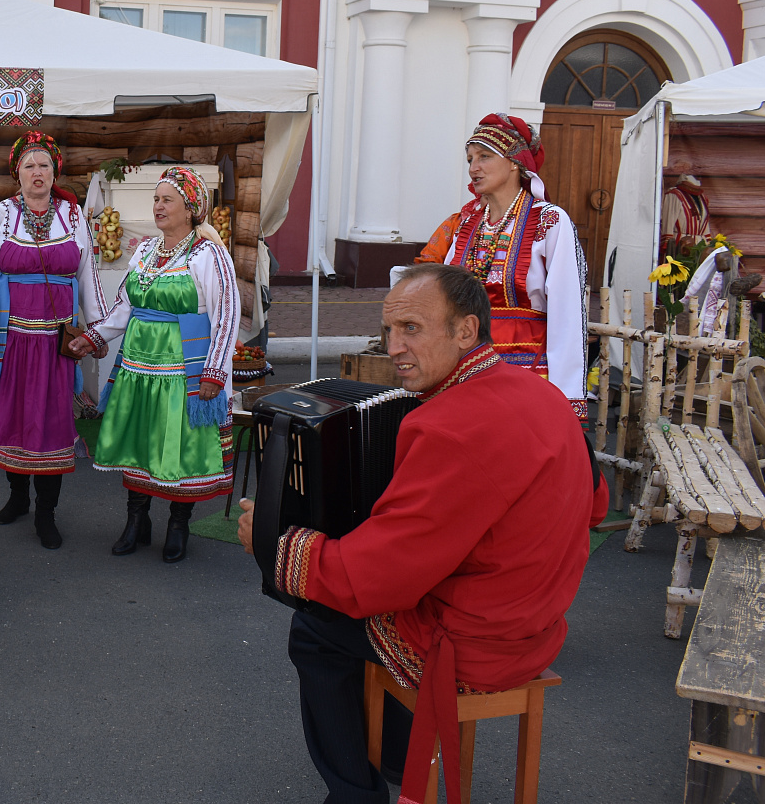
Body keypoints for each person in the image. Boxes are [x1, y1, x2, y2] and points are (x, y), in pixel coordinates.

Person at [237, 263, 608, 804]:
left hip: (473, 642)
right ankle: (394, 755)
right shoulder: (541, 394)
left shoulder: (449, 425)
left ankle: (358, 793)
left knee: (314, 630)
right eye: (390, 330)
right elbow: (595, 505)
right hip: (539, 623)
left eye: (412, 328)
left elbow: (377, 580)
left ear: (466, 331)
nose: (394, 346)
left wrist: (275, 544)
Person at [72, 167, 238, 562]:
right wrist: (93, 337)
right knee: (139, 441)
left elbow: (227, 314)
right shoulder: (146, 250)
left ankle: (178, 525)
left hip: (183, 371)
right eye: (156, 199)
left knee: (180, 447)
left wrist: (215, 372)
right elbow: (125, 307)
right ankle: (136, 521)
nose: (158, 206)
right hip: (138, 370)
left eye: (167, 200)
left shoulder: (207, 254)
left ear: (191, 208)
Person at [0, 131, 109, 549]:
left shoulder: (72, 215)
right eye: (29, 165)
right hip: (10, 341)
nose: (37, 172)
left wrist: (97, 330)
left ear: (55, 171)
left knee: (51, 424)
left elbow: (87, 273)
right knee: (12, 419)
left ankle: (46, 512)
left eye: (44, 165)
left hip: (54, 343)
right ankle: (17, 497)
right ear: (17, 173)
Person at [441, 112, 590, 423]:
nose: (473, 168)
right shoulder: (467, 224)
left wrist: (566, 399)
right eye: (470, 158)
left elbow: (568, 313)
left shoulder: (549, 222)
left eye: (484, 156)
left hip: (526, 374)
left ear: (514, 162)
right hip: (465, 369)